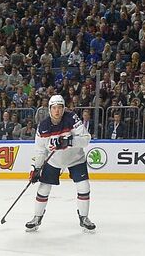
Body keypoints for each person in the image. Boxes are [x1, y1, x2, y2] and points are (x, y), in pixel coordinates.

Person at [25, 93, 95, 232]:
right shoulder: (43, 126)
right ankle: (37, 217)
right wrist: (36, 168)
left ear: (64, 109)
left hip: (76, 159)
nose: (57, 111)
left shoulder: (72, 119)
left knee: (84, 186)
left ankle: (84, 217)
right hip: (54, 161)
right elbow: (40, 150)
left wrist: (69, 141)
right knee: (43, 188)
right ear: (49, 109)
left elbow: (86, 139)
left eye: (60, 107)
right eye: (54, 107)